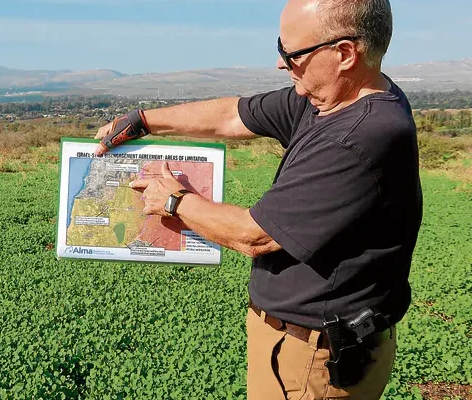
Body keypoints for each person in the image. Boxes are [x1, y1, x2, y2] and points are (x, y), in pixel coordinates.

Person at [93, 0, 422, 399]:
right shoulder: (330, 97)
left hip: (315, 357)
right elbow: (233, 115)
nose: (282, 64)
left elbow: (254, 236)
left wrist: (174, 201)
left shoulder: (357, 137)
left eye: (292, 53)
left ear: (345, 54)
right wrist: (143, 121)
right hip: (305, 344)